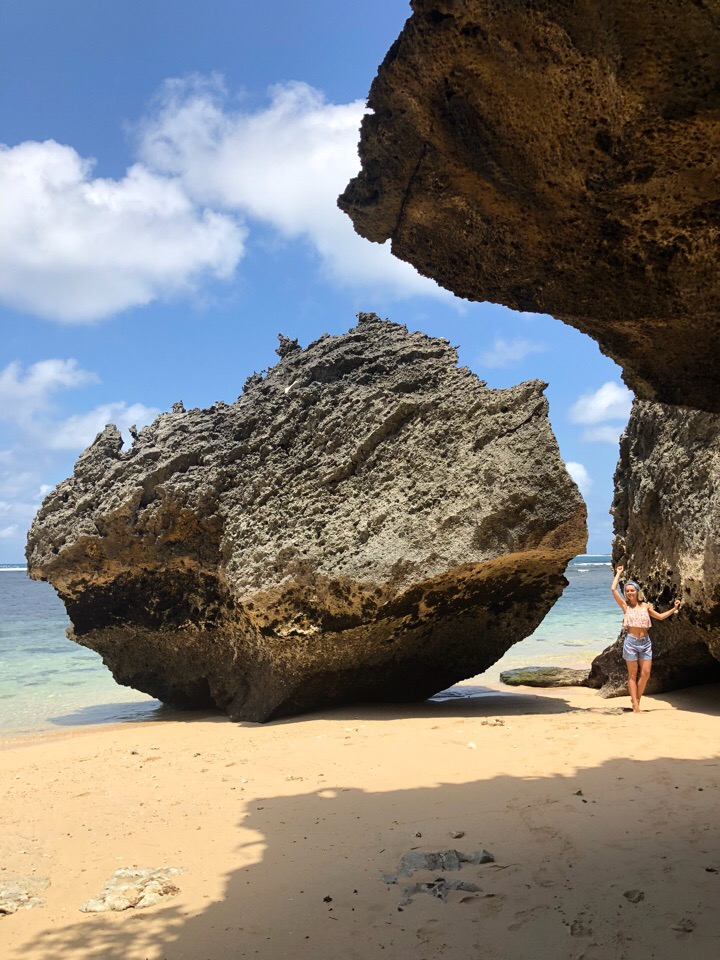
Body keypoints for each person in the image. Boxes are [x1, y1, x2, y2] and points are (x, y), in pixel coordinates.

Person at [611, 565, 681, 712]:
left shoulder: (646, 606)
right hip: (631, 642)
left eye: (632, 590)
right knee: (632, 673)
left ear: (637, 591)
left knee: (646, 673)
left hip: (645, 643)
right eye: (627, 591)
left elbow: (660, 617)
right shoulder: (625, 606)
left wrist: (674, 609)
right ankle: (636, 705)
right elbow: (613, 589)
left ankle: (636, 698)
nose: (630, 593)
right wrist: (618, 573)